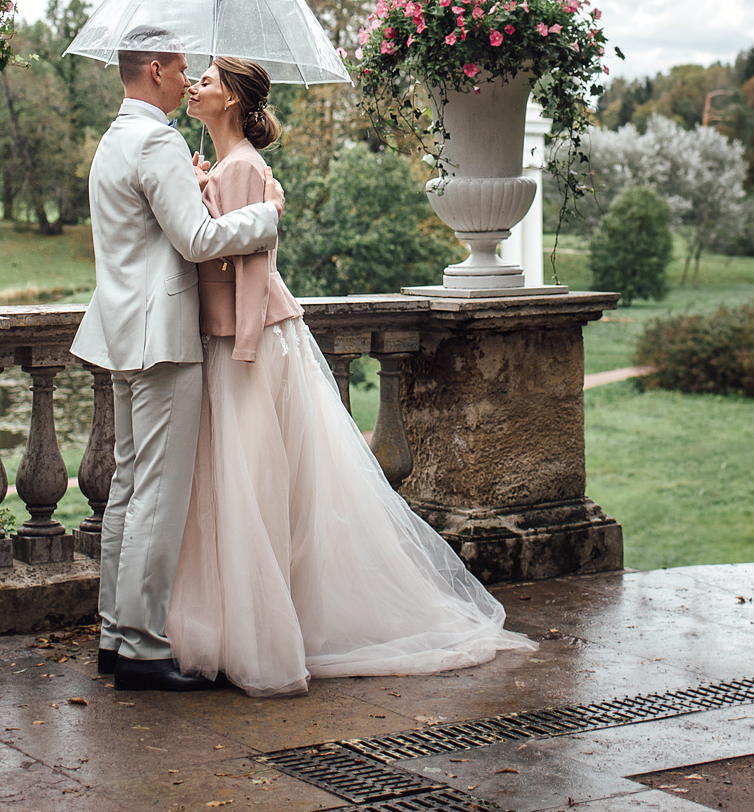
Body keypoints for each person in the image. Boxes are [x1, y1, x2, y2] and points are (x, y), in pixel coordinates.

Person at [166, 55, 533, 697]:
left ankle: (258, 634)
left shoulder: (244, 165)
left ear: (231, 100)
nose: (194, 85)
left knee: (253, 484)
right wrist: (201, 187)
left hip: (246, 341)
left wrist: (242, 345)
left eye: (207, 80)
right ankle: (241, 622)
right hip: (233, 337)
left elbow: (250, 269)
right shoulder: (227, 167)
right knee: (243, 485)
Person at [70, 29, 286, 693]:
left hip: (121, 334)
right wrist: (266, 218)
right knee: (157, 498)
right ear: (156, 70)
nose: (188, 80)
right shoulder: (157, 141)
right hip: (162, 338)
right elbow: (195, 240)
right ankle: (141, 648)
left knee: (128, 488)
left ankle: (114, 635)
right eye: (183, 69)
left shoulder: (114, 138)